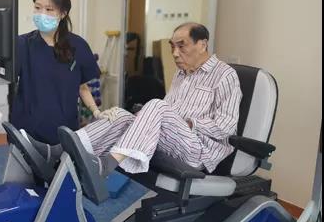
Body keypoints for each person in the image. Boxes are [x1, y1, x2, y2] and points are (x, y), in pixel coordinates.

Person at [26, 22, 243, 180]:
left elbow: (227, 127)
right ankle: (56, 151)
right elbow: (169, 110)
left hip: (200, 150)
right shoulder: (182, 74)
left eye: (182, 46)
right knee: (121, 114)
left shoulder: (225, 75)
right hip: (174, 139)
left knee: (156, 105)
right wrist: (144, 117)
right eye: (172, 46)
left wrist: (189, 123)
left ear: (202, 44)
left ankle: (107, 165)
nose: (175, 53)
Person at [10, 0, 103, 146]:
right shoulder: (22, 44)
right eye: (37, 8)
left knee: (62, 163)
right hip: (27, 133)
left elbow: (82, 87)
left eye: (49, 9)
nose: (42, 14)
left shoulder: (78, 46)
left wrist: (96, 112)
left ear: (63, 13)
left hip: (63, 133)